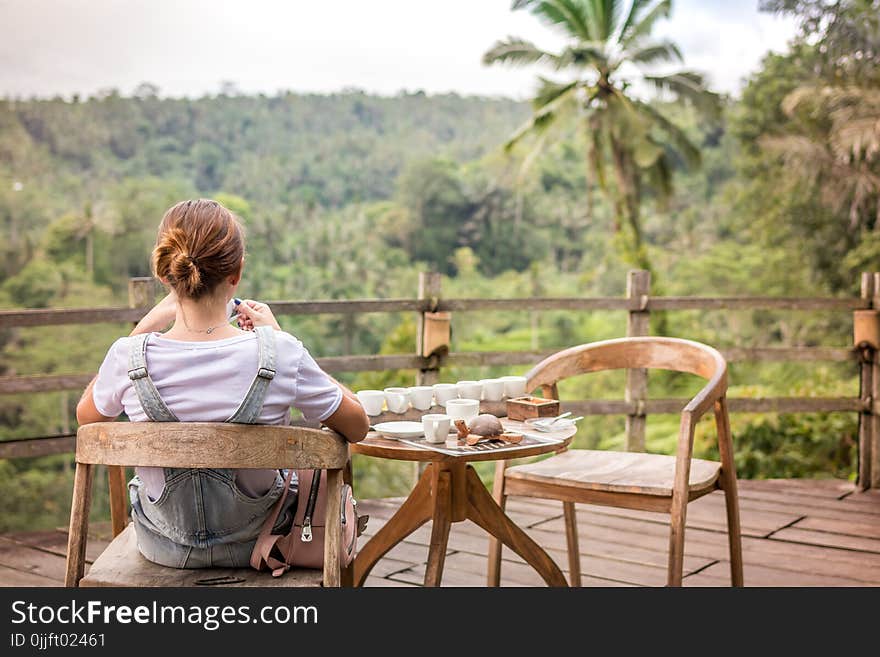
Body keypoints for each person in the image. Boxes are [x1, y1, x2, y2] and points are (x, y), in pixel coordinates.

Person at [75, 199, 369, 568]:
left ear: (165, 275)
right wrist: (282, 339)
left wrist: (144, 327)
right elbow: (358, 425)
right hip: (261, 543)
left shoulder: (127, 358)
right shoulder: (280, 353)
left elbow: (87, 418)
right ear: (237, 273)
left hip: (161, 546)